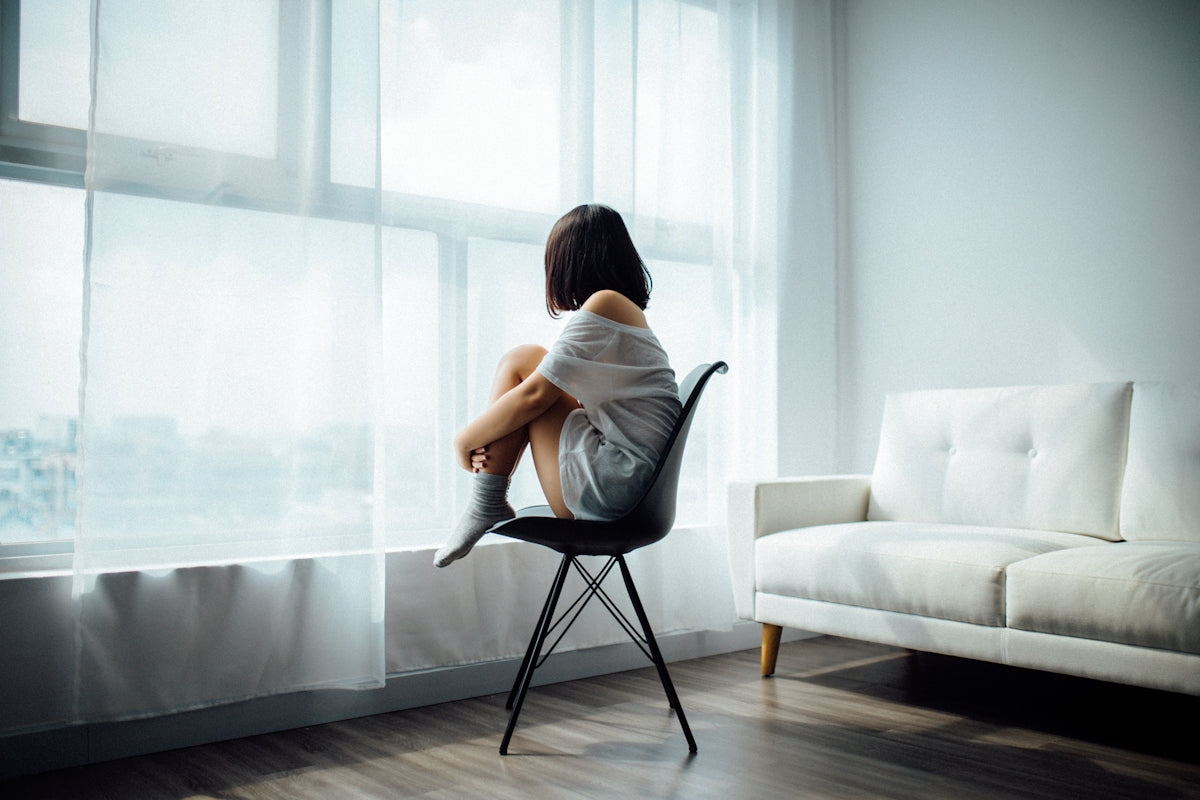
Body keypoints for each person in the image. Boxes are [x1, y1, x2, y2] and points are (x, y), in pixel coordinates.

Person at [434, 204, 681, 567]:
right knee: (528, 360)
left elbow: (535, 396)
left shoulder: (606, 304)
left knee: (522, 363)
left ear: (570, 261)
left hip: (615, 491)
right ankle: (486, 502)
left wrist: (463, 440)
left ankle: (485, 502)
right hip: (631, 488)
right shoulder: (622, 312)